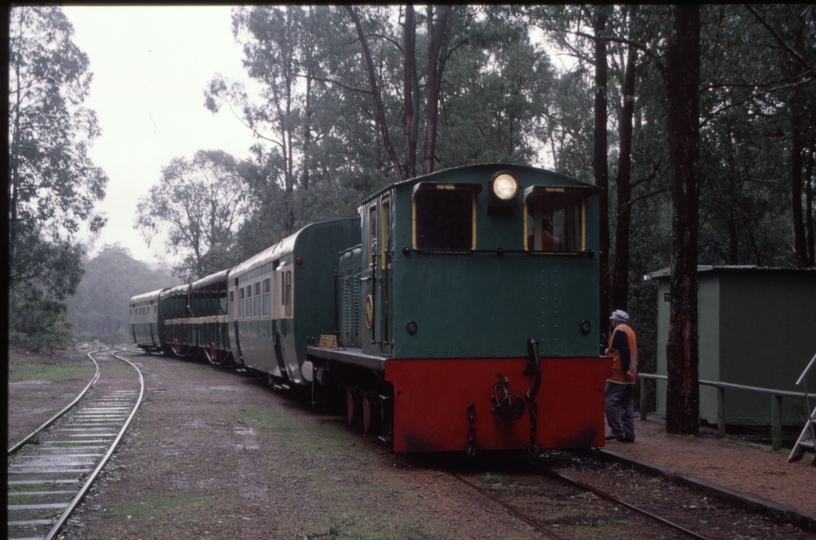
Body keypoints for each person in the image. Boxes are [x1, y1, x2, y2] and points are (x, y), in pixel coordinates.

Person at [604, 309, 637, 442]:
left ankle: (616, 430)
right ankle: (629, 434)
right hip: (631, 374)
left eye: (613, 320)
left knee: (609, 401)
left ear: (616, 321)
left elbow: (623, 351)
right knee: (626, 404)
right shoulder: (630, 331)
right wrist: (630, 370)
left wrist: (625, 369)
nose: (612, 322)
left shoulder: (619, 331)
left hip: (618, 374)